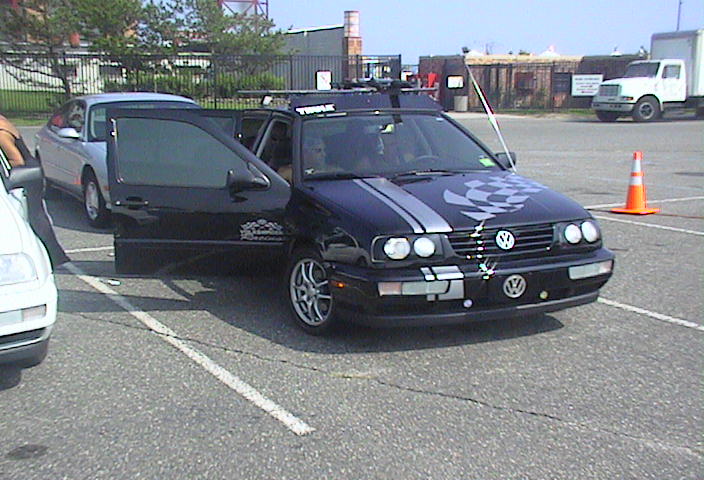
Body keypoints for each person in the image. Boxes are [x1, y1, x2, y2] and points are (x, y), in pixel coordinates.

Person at [0, 114, 69, 267]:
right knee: (38, 216)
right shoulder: (3, 120)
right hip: (30, 170)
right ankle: (55, 256)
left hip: (25, 175)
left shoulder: (1, 131)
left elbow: (15, 160)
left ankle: (53, 257)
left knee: (35, 218)